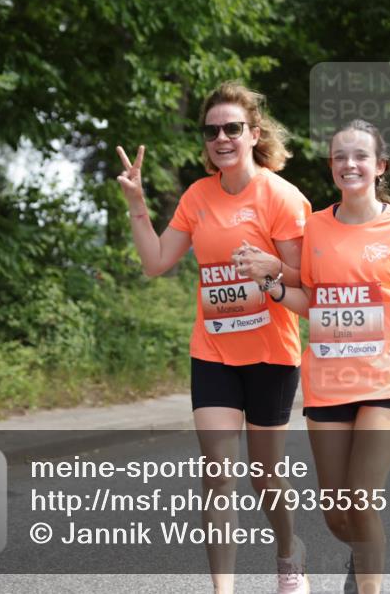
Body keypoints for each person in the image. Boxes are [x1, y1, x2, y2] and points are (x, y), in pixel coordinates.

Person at [116, 81, 312, 594]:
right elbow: (157, 262)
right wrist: (137, 204)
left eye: (232, 128)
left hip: (272, 352)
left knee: (265, 476)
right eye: (211, 130)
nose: (221, 137)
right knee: (218, 473)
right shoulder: (197, 196)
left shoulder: (281, 196)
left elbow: (308, 282)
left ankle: (289, 554)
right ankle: (221, 589)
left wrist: (272, 267)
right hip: (214, 350)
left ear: (253, 134)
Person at [263, 119, 390, 594]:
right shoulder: (316, 227)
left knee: (362, 501)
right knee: (335, 511)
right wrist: (273, 287)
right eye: (340, 157)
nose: (349, 164)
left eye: (360, 156)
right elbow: (312, 301)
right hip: (328, 379)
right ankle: (366, 555)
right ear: (332, 167)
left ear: (379, 165)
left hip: (388, 378)